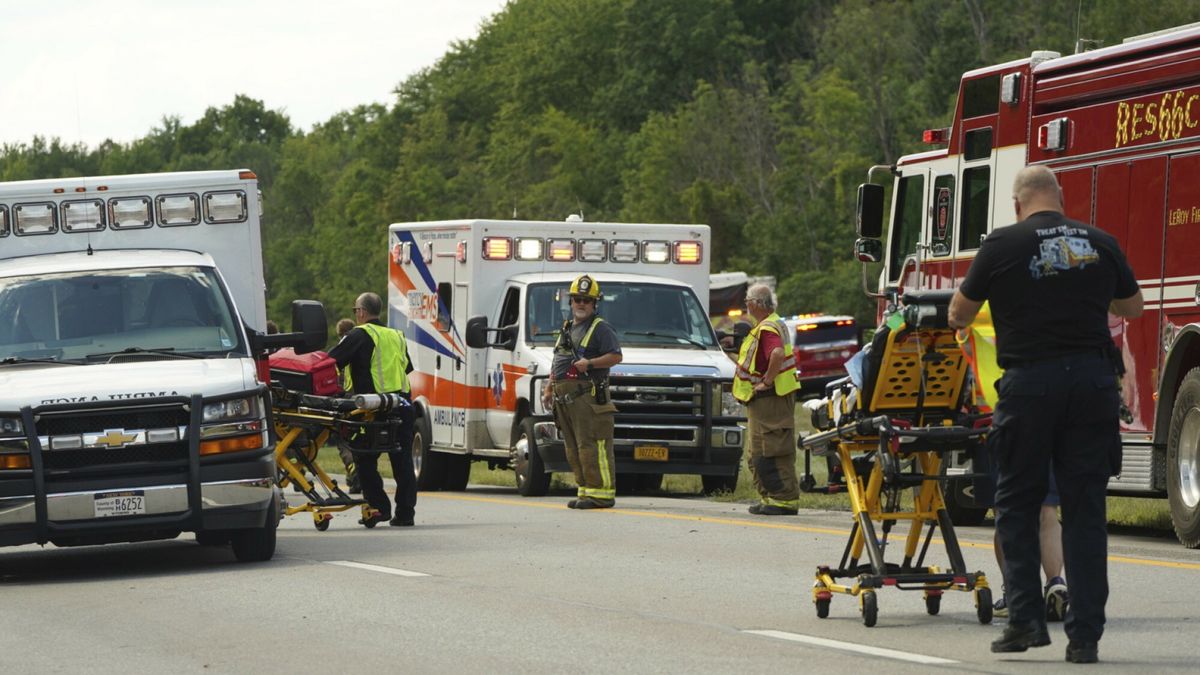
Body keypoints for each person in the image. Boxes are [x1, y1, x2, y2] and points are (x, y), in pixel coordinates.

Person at [948, 165, 1142, 664]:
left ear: (1017, 204)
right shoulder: (1099, 241)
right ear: (1060, 198)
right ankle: (1085, 637)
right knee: (1085, 510)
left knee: (1017, 503)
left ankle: (1026, 621)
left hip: (1031, 385)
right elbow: (1133, 306)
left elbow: (960, 313)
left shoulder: (1001, 245)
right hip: (1092, 385)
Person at [328, 292, 418, 527]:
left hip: (372, 408)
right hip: (402, 404)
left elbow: (331, 361)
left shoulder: (359, 335)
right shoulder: (396, 335)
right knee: (403, 460)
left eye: (355, 310)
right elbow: (406, 368)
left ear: (361, 312)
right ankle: (406, 513)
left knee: (364, 458)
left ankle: (379, 507)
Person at [541, 274, 623, 509]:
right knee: (573, 446)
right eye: (577, 299)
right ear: (570, 301)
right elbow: (558, 360)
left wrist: (590, 363)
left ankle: (602, 495)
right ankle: (586, 491)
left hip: (588, 397)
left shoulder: (601, 328)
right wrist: (549, 388)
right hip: (564, 398)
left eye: (586, 300)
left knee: (592, 445)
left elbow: (616, 356)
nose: (581, 304)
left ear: (595, 303)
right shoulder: (568, 328)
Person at [732, 284, 800, 515]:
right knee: (759, 451)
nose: (746, 305)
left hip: (771, 398)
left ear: (755, 304)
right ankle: (771, 498)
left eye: (747, 301)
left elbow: (777, 354)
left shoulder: (768, 327)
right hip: (765, 400)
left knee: (769, 450)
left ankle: (783, 499)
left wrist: (767, 381)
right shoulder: (769, 324)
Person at [334, 317, 361, 494]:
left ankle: (353, 472)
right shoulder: (361, 344)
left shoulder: (341, 350)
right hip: (362, 399)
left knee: (343, 441)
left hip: (346, 401)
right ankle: (357, 474)